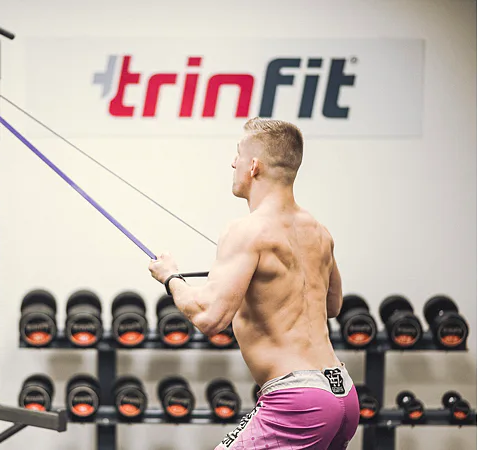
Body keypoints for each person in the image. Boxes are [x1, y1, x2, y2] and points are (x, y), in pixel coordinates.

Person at [148, 117, 359, 450]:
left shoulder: (246, 230)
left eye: (239, 154)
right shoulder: (319, 231)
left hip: (298, 402)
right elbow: (332, 306)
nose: (233, 163)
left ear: (254, 166)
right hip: (342, 393)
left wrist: (171, 277)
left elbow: (209, 317)